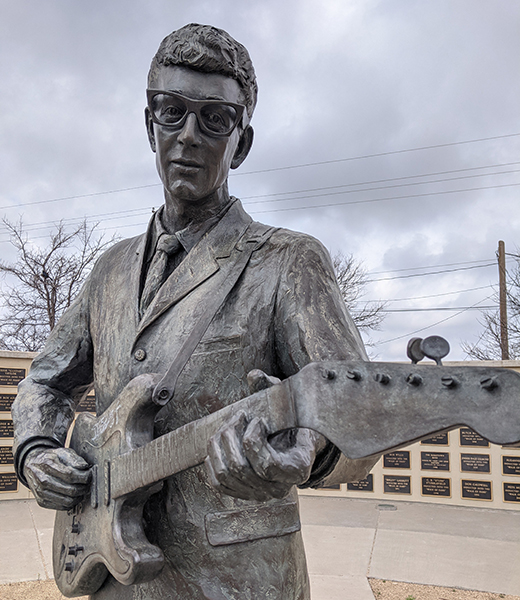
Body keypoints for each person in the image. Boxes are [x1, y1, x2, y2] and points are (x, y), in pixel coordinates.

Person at [12, 24, 375, 599]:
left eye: (215, 119)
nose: (188, 135)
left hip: (238, 584)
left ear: (243, 142)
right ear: (148, 125)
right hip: (113, 577)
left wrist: (310, 450)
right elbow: (44, 384)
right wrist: (35, 449)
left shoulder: (290, 262)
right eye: (171, 111)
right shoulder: (108, 271)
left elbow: (363, 418)